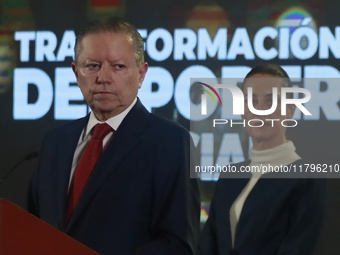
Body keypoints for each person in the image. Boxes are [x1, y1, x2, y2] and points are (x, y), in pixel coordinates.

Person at [27, 16, 200, 255]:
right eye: (93, 66)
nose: (103, 77)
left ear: (141, 74)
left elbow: (179, 244)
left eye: (118, 66)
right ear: (76, 73)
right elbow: (32, 230)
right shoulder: (54, 142)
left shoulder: (170, 142)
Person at [197, 63, 326, 255]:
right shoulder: (229, 176)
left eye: (270, 102)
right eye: (252, 101)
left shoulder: (307, 179)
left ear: (290, 110)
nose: (260, 111)